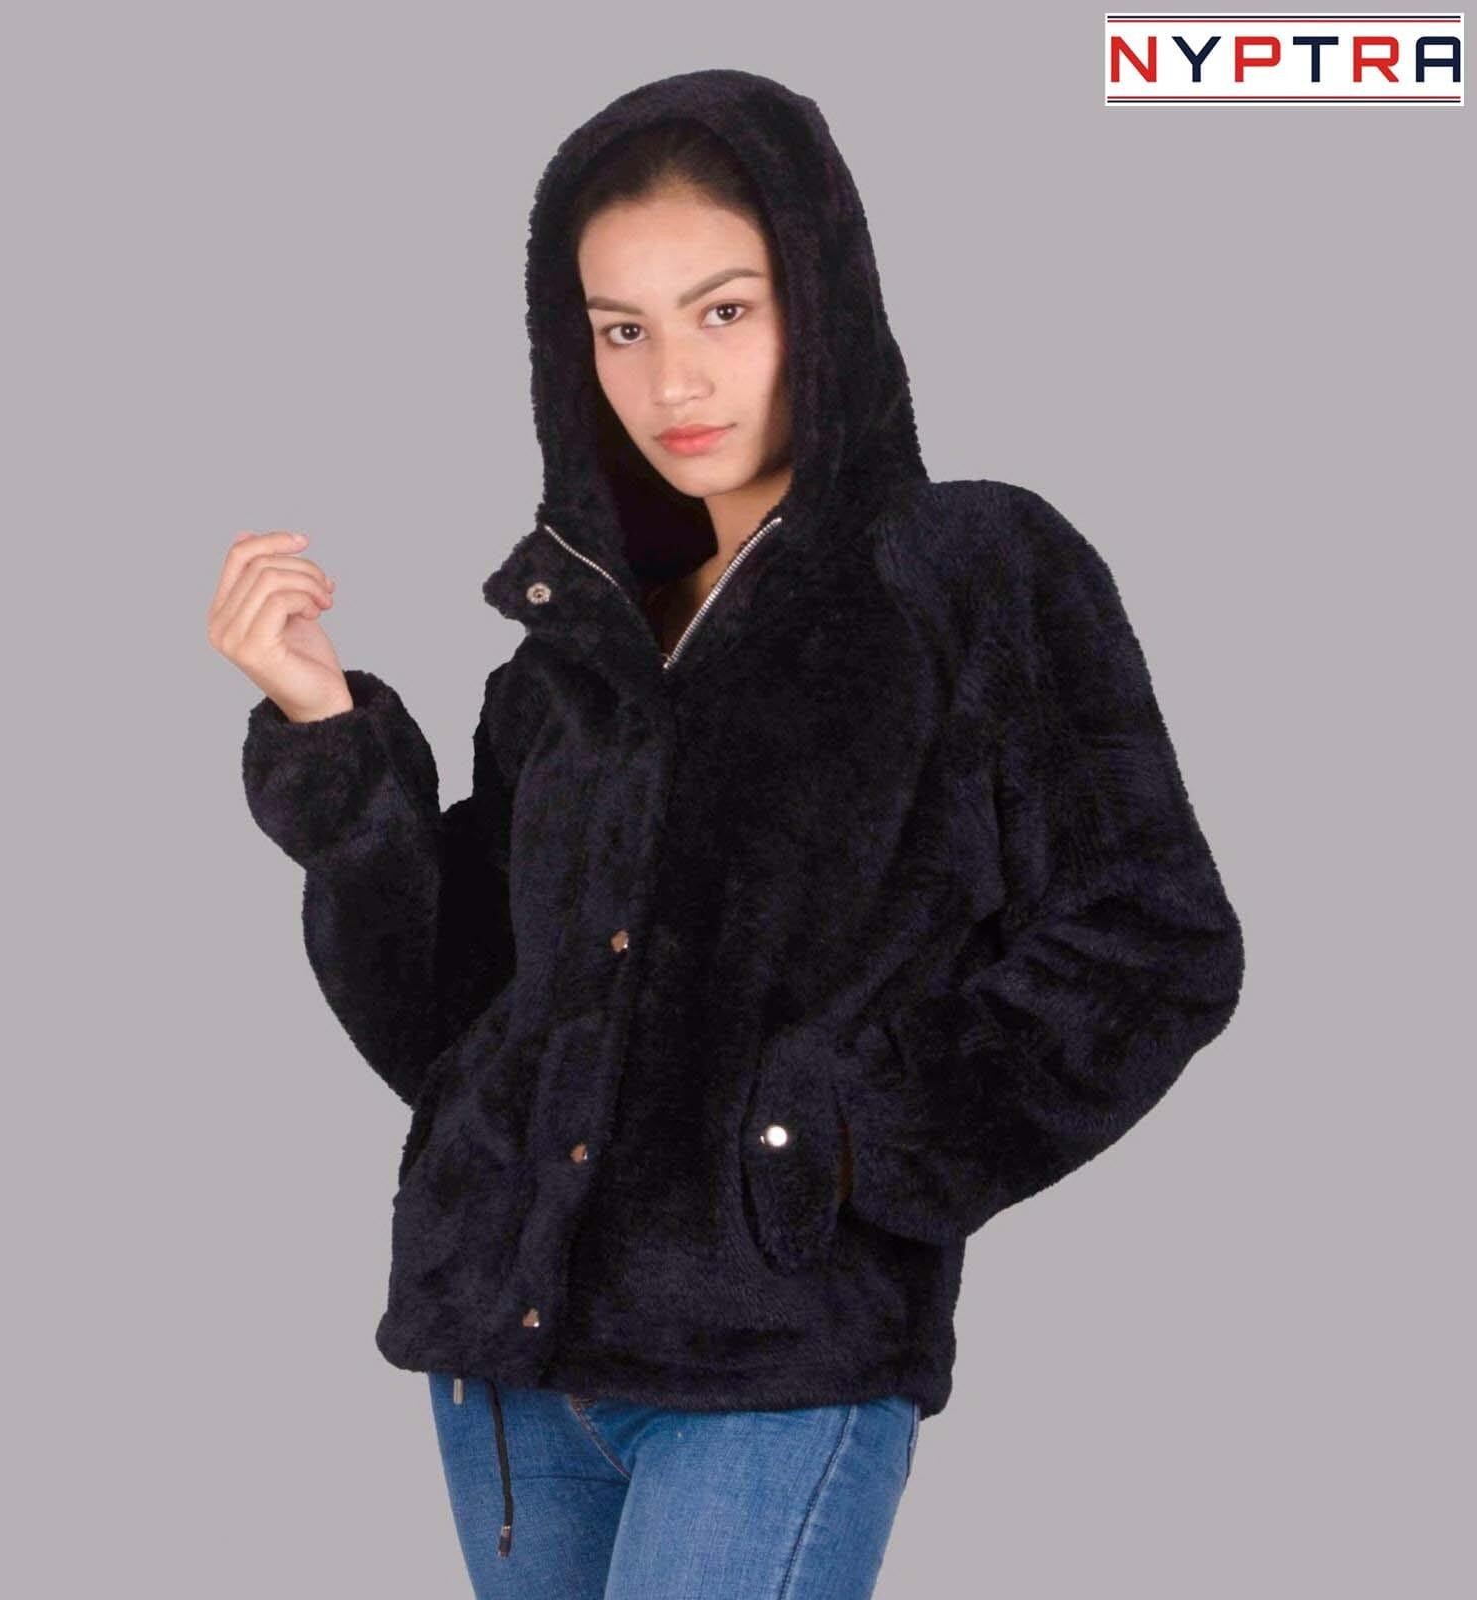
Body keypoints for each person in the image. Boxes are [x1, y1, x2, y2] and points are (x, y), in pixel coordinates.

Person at [208, 67, 1244, 1600]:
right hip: (505, 1371)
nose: (673, 379)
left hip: (770, 1362)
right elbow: (452, 1020)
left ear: (821, 300)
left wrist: (840, 1143)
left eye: (724, 311)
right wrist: (326, 736)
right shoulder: (569, 660)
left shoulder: (971, 571)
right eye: (620, 329)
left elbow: (1152, 940)